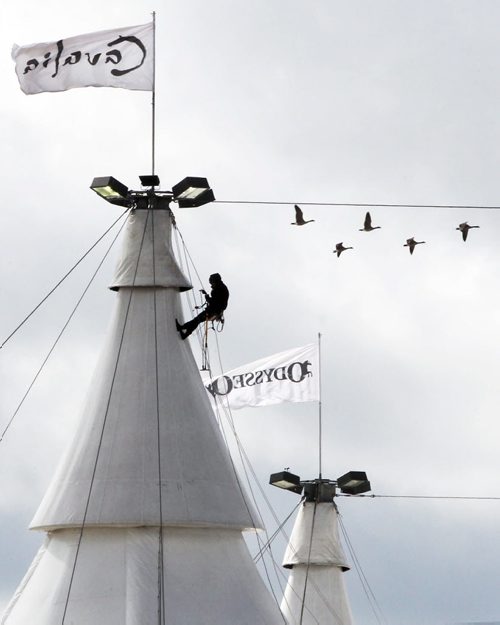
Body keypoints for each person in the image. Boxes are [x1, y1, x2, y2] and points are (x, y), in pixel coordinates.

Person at [176, 273, 229, 340]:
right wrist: (207, 296)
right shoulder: (220, 288)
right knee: (197, 320)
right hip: (215, 311)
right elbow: (217, 301)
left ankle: (182, 328)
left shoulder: (220, 289)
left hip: (213, 311)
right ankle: (186, 333)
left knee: (197, 320)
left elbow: (215, 302)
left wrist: (208, 298)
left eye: (211, 282)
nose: (211, 284)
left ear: (215, 281)